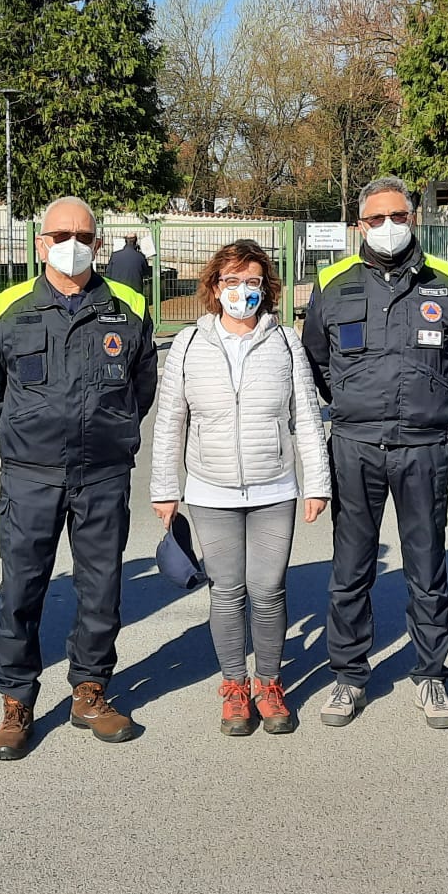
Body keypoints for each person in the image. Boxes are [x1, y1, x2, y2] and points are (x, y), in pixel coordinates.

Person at [0, 196, 156, 760]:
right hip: (30, 476)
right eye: (60, 235)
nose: (72, 244)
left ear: (98, 243)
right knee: (21, 589)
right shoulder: (8, 308)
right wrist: (26, 438)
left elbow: (142, 386)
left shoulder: (127, 305)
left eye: (83, 235)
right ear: (41, 243)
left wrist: (112, 432)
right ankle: (16, 701)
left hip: (102, 473)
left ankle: (90, 690)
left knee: (101, 588)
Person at [302, 175, 448, 730]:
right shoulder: (331, 282)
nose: (387, 227)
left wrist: (431, 401)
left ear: (413, 218)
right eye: (376, 219)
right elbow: (317, 359)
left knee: (426, 567)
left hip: (423, 446)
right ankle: (349, 676)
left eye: (397, 216)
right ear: (360, 225)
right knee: (350, 569)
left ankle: (431, 674)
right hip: (354, 445)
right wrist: (352, 401)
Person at [150, 239, 330, 736]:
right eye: (231, 281)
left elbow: (306, 416)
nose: (241, 291)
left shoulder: (285, 341)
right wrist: (164, 488)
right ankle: (234, 686)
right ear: (214, 287)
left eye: (252, 282)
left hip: (274, 488)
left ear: (265, 288)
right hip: (210, 491)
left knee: (268, 590)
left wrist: (317, 483)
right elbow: (169, 421)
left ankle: (269, 684)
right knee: (227, 592)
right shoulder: (188, 344)